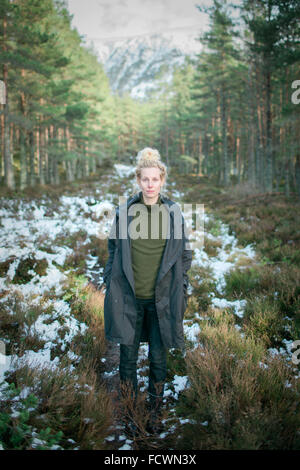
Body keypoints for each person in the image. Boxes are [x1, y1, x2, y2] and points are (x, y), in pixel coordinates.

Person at [102, 147, 192, 433]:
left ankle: (154, 411)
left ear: (162, 180)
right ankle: (129, 409)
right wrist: (109, 278)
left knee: (157, 356)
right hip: (129, 297)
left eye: (155, 179)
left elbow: (184, 252)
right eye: (145, 179)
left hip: (161, 299)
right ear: (138, 181)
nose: (150, 184)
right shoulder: (125, 211)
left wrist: (183, 282)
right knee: (127, 357)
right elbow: (113, 248)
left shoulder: (173, 212)